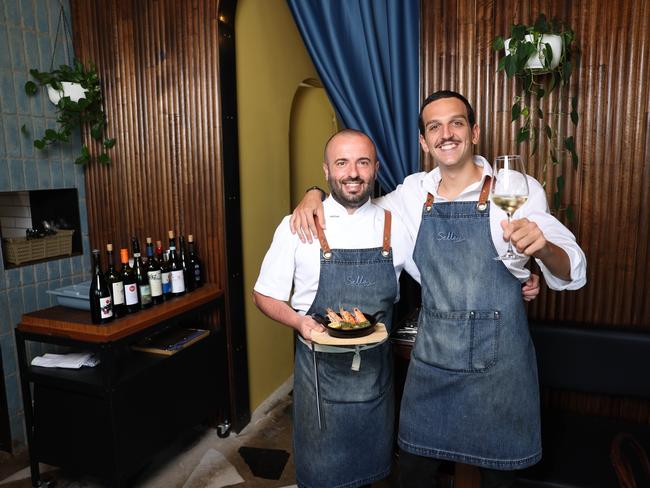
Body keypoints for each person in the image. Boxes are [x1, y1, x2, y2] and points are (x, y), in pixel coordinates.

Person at [289, 90, 586, 488]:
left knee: (499, 480)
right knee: (412, 472)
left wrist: (543, 250)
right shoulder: (411, 194)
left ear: (474, 132)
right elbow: (355, 202)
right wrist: (314, 193)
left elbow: (571, 266)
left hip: (501, 369)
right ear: (424, 142)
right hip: (433, 364)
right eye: (434, 127)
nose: (446, 133)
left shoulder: (515, 187)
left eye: (456, 123)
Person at [253, 129, 418, 488]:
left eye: (362, 162)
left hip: (376, 384)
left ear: (376, 168)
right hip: (320, 388)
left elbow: (437, 279)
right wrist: (298, 322)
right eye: (342, 163)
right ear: (326, 171)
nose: (353, 172)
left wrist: (518, 279)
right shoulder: (297, 226)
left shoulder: (396, 226)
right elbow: (263, 295)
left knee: (373, 477)